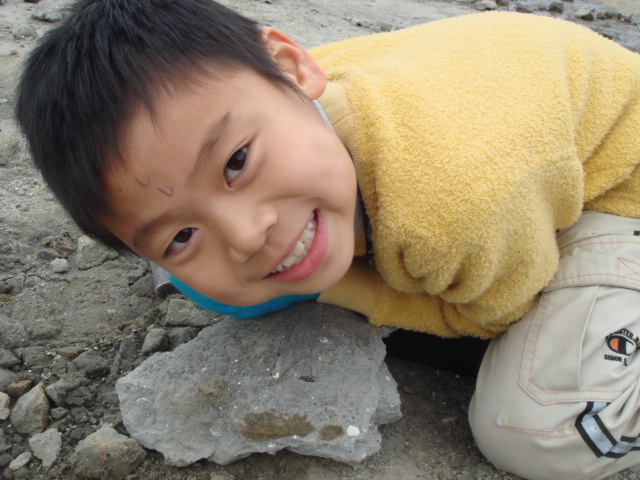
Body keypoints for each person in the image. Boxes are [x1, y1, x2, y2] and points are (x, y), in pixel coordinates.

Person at [14, 1, 640, 478]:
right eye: (179, 234)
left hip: (618, 183)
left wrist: (344, 288)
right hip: (523, 107)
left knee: (530, 430)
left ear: (293, 67)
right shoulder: (259, 92)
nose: (246, 235)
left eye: (236, 163)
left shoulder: (449, 204)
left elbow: (493, 312)